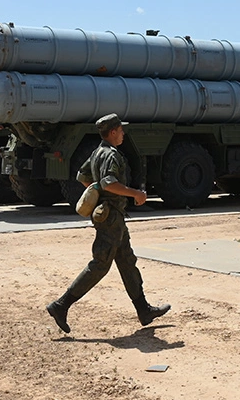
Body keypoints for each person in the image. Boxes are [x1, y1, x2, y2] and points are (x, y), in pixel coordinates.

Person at [46, 113, 170, 333]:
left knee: (127, 261)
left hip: (112, 216)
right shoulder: (111, 155)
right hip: (110, 218)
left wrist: (97, 193)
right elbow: (108, 182)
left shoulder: (96, 153)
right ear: (113, 132)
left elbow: (82, 176)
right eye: (121, 130)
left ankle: (144, 310)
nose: (123, 133)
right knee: (100, 265)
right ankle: (61, 305)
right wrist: (135, 194)